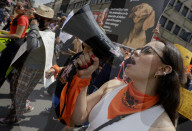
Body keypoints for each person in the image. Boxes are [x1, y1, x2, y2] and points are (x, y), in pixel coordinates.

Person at [61, 40, 185, 130]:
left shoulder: (162, 126)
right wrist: (84, 78)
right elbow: (78, 118)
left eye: (147, 51)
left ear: (163, 69)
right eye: (140, 48)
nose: (136, 52)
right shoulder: (112, 86)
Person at [0, 4, 54, 125]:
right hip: (24, 64)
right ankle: (24, 104)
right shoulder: (38, 29)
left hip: (32, 68)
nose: (36, 19)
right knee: (14, 85)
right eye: (36, 16)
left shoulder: (48, 33)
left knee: (20, 93)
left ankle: (14, 117)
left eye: (40, 17)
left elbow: (32, 46)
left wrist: (34, 27)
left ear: (49, 21)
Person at [0, 2, 29, 87]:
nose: (16, 8)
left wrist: (1, 35)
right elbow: (13, 32)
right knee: (4, 66)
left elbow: (18, 35)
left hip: (15, 44)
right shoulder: (19, 17)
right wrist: (2, 31)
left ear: (25, 10)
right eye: (16, 6)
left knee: (3, 67)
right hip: (14, 43)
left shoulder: (22, 19)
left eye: (19, 7)